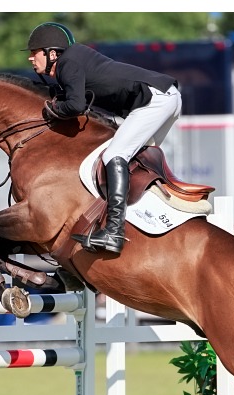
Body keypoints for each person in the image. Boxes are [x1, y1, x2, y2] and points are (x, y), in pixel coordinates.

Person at [25, 22, 181, 254]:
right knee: (134, 162)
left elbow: (75, 105)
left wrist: (51, 109)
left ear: (52, 53)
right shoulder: (73, 61)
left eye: (34, 52)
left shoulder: (68, 63)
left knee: (114, 155)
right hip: (165, 96)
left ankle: (114, 231)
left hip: (154, 100)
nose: (30, 58)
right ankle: (145, 221)